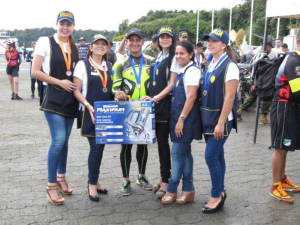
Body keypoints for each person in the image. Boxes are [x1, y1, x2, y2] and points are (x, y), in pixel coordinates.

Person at [32, 10, 79, 205]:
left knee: (65, 141)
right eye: (62, 24)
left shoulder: (74, 45)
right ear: (57, 24)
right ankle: (51, 185)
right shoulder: (45, 41)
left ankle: (61, 178)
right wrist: (59, 82)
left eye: (69, 24)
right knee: (58, 140)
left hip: (70, 99)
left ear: (73, 27)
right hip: (53, 96)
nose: (65, 27)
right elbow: (35, 71)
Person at [200, 28, 239, 213]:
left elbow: (230, 97)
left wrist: (221, 122)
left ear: (223, 45)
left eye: (214, 41)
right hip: (209, 117)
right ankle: (221, 190)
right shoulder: (210, 63)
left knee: (210, 157)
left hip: (221, 120)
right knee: (218, 156)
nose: (209, 43)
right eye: (208, 40)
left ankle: (216, 194)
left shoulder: (230, 66)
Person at [113, 28, 154, 196]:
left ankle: (141, 176)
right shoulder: (119, 63)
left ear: (143, 42)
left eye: (138, 40)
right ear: (127, 42)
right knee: (126, 145)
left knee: (143, 144)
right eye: (131, 40)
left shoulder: (152, 61)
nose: (135, 43)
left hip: (146, 109)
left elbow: (157, 84)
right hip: (127, 108)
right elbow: (114, 87)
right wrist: (118, 93)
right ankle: (126, 179)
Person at [160, 40, 202, 205]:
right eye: (176, 53)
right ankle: (189, 189)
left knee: (177, 154)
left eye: (182, 53)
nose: (178, 56)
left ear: (191, 54)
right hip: (179, 118)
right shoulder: (183, 71)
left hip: (186, 120)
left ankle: (171, 189)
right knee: (185, 154)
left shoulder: (191, 71)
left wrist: (181, 120)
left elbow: (191, 96)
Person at [73, 34, 113, 202]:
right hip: (90, 113)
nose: (100, 46)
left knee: (100, 149)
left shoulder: (109, 65)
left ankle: (95, 180)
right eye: (96, 43)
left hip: (106, 114)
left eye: (103, 44)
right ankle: (91, 184)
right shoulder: (83, 64)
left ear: (107, 48)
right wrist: (88, 105)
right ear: (90, 47)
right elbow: (76, 90)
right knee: (96, 149)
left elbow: (111, 90)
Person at [140, 25, 176, 199]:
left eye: (168, 36)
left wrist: (155, 98)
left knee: (163, 143)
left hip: (165, 105)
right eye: (162, 37)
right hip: (156, 104)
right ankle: (163, 177)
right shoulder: (159, 55)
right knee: (160, 143)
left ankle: (167, 181)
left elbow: (171, 84)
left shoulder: (173, 57)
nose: (164, 39)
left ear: (173, 38)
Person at [269, 30, 300, 204]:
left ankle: (282, 179)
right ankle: (275, 186)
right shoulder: (294, 61)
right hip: (283, 105)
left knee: (286, 145)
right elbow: (298, 91)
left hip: (291, 106)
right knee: (280, 147)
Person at [237, 41, 277, 125]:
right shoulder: (269, 56)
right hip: (265, 81)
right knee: (266, 98)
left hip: (258, 80)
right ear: (268, 47)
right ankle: (263, 117)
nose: (270, 49)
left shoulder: (258, 55)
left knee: (252, 96)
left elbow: (253, 67)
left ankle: (240, 111)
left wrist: (253, 80)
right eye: (270, 47)